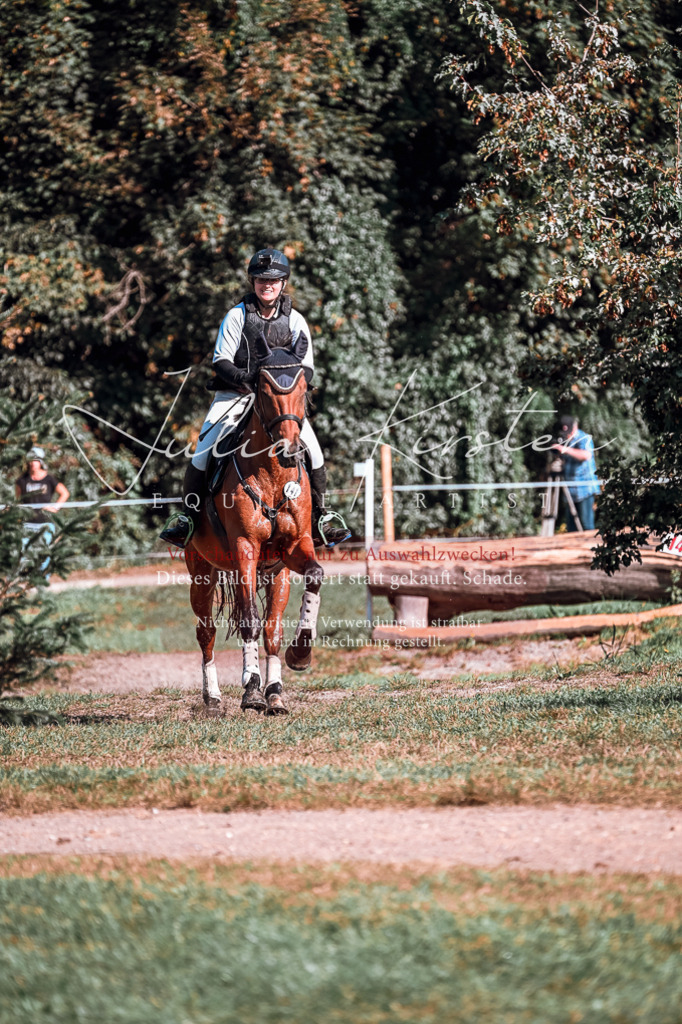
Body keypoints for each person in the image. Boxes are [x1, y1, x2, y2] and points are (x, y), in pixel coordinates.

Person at [160, 247, 351, 549]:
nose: (267, 285)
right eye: (261, 279)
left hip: (278, 404)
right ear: (253, 282)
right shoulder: (236, 316)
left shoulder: (296, 320)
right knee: (202, 451)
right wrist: (248, 379)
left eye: (273, 280)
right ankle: (188, 518)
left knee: (315, 452)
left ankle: (322, 517)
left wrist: (282, 392)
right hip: (234, 396)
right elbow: (221, 360)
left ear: (283, 283)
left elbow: (308, 369)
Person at [15, 446, 70, 575]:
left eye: (36, 460)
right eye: (31, 460)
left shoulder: (49, 479)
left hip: (45, 523)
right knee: (24, 553)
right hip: (27, 524)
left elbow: (64, 493)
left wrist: (55, 508)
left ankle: (42, 580)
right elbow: (17, 500)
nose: (33, 463)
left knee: (44, 554)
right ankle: (24, 580)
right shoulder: (21, 481)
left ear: (41, 462)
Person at [552, 415, 600, 531]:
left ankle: (591, 547)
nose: (567, 434)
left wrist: (564, 449)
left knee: (586, 523)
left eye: (569, 431)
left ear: (575, 426)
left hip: (585, 489)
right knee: (571, 525)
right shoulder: (565, 439)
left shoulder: (584, 438)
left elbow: (586, 455)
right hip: (571, 490)